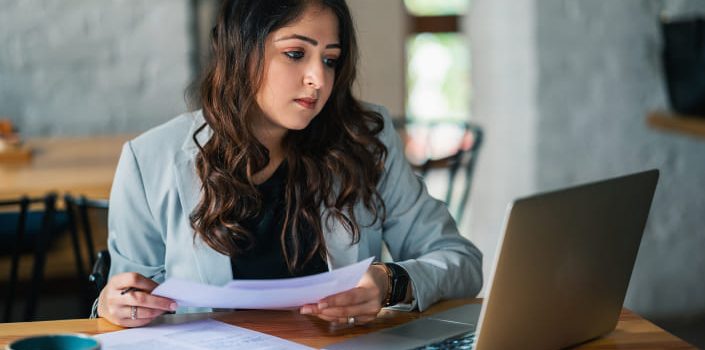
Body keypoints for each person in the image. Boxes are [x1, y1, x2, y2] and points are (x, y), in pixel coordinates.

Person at [96, 0, 483, 328]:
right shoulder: (149, 161)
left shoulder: (366, 140)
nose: (318, 78)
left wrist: (391, 281)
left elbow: (461, 262)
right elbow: (128, 303)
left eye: (330, 60)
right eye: (296, 54)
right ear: (242, 50)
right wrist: (116, 306)